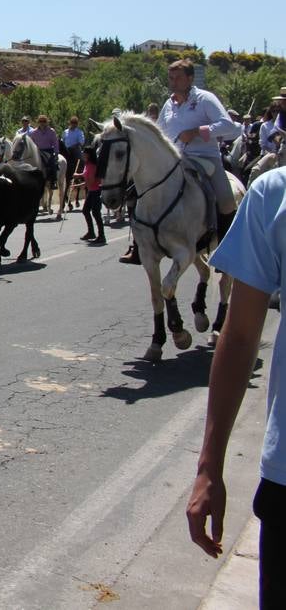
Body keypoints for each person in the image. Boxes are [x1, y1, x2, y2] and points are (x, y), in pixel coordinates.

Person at [187, 166, 286, 607]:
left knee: (214, 182)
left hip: (206, 153)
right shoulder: (276, 193)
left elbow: (222, 134)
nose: (176, 87)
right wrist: (209, 465)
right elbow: (242, 336)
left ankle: (213, 228)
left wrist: (204, 136)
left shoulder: (203, 107)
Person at [157, 59, 240, 218]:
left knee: (226, 201)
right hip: (175, 161)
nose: (173, 82)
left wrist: (196, 132)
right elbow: (160, 132)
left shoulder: (205, 98)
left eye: (178, 78)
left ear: (190, 78)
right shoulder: (168, 104)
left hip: (205, 158)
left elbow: (227, 125)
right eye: (171, 78)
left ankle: (227, 239)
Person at [77, 146, 105, 244]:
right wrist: (78, 179)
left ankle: (101, 236)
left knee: (96, 213)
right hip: (91, 191)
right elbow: (87, 177)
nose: (83, 154)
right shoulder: (87, 164)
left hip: (96, 191)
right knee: (85, 211)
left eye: (84, 153)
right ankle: (91, 232)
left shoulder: (93, 166)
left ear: (89, 154)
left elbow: (91, 182)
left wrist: (79, 182)